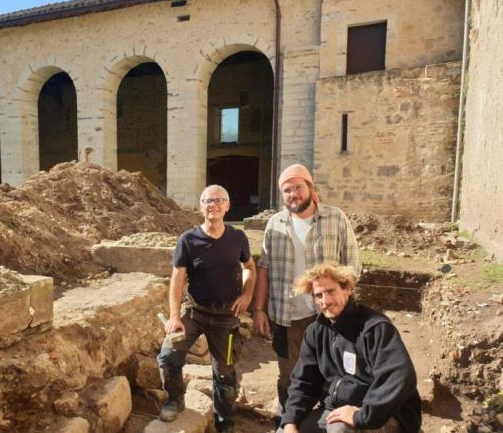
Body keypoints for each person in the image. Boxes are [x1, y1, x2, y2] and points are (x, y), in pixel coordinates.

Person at [252, 164, 361, 417]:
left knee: (332, 373)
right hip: (287, 317)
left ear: (310, 188)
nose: (293, 194)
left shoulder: (336, 218)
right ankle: (288, 420)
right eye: (287, 190)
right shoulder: (274, 225)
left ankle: (325, 420)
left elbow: (353, 265)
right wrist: (258, 309)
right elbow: (264, 270)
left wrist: (339, 300)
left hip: (330, 316)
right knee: (289, 375)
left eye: (298, 187)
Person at [157, 184, 257, 433]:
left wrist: (247, 294)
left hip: (226, 316)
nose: (213, 204)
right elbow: (177, 278)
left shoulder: (238, 237)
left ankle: (224, 421)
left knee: (225, 374)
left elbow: (249, 267)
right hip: (195, 311)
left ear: (227, 206)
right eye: (207, 201)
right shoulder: (188, 239)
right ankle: (175, 399)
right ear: (201, 207)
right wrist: (173, 316)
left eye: (218, 200)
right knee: (169, 355)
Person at [278, 262, 421, 433]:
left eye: (331, 291)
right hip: (336, 410)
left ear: (347, 289)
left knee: (340, 429)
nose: (326, 301)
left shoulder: (375, 328)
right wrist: (290, 421)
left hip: (381, 414)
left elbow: (399, 376)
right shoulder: (316, 332)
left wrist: (362, 415)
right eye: (318, 295)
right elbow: (304, 382)